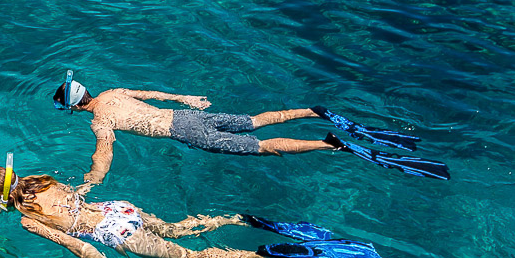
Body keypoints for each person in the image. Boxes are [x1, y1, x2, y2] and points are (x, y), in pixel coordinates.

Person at [0, 155, 384, 258]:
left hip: (111, 231)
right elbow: (78, 196)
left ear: (1, 202)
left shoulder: (28, 220)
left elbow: (76, 244)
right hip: (120, 209)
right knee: (174, 230)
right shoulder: (41, 181)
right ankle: (238, 218)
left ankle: (266, 252)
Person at [50, 71, 450, 185]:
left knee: (263, 147)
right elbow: (152, 93)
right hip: (192, 117)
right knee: (258, 119)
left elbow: (105, 152)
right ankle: (313, 110)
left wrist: (91, 180)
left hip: (188, 133)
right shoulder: (116, 92)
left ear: (74, 109)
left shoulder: (101, 120)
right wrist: (187, 97)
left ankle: (329, 145)